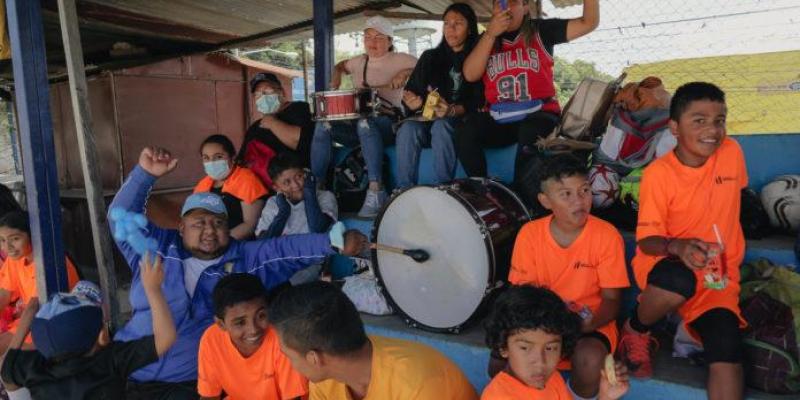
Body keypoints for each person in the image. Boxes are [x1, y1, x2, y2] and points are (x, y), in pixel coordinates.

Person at [112, 146, 368, 400]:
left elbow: (285, 249)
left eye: (218, 223)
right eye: (199, 223)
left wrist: (331, 243)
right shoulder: (154, 248)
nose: (210, 231)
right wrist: (144, 174)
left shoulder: (244, 259)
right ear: (181, 227)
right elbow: (120, 217)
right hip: (125, 369)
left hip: (185, 383)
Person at [617, 82, 748, 400]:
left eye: (719, 120)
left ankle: (684, 324)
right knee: (677, 276)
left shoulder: (731, 152)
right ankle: (637, 327)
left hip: (717, 281)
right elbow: (646, 241)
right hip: (667, 269)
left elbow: (735, 193)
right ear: (674, 128)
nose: (712, 130)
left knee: (728, 348)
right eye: (699, 120)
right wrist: (679, 246)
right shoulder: (659, 174)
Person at [506, 154, 629, 399]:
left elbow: (612, 300)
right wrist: (544, 333)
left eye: (584, 190)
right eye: (566, 194)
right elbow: (521, 298)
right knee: (502, 360)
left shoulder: (606, 235)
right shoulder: (530, 234)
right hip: (539, 323)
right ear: (545, 201)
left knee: (590, 359)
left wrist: (586, 326)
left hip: (589, 323)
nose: (579, 201)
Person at [459, 0, 599, 185]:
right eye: (498, 3)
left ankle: (523, 197)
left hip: (539, 113)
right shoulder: (486, 40)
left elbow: (588, 22)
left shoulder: (540, 30)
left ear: (525, 7)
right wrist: (491, 34)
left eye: (512, 2)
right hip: (501, 118)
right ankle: (482, 187)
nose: (505, 7)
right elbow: (470, 74)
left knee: (530, 131)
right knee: (465, 129)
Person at [0, 257, 175, 400]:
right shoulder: (110, 360)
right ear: (102, 335)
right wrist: (153, 290)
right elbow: (165, 338)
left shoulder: (34, 367)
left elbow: (7, 372)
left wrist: (27, 318)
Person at [269, 281, 478, 400]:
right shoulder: (326, 380)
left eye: (288, 355)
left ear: (314, 358)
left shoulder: (418, 384)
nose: (290, 364)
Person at [311, 16, 417, 217]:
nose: (372, 42)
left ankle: (376, 191)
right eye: (368, 36)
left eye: (378, 37)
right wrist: (336, 73)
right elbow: (341, 65)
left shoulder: (402, 58)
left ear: (390, 41)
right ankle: (318, 187)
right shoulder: (360, 61)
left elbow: (427, 66)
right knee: (323, 124)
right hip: (359, 128)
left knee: (365, 122)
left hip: (387, 126)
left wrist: (405, 72)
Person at [482, 284, 628, 400]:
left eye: (550, 348)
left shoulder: (552, 380)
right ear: (503, 347)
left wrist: (606, 396)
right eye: (525, 348)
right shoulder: (500, 397)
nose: (540, 361)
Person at [395, 3, 484, 190]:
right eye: (446, 23)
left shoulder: (478, 57)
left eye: (458, 23)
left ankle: (443, 187)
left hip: (460, 124)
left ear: (470, 29)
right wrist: (412, 104)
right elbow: (412, 93)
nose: (450, 29)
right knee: (407, 129)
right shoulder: (430, 57)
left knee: (442, 125)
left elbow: (479, 99)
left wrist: (452, 110)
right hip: (427, 122)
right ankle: (403, 190)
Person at [197, 274, 307, 400]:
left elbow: (293, 398)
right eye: (240, 323)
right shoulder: (211, 339)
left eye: (261, 316)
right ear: (221, 324)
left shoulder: (282, 338)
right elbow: (209, 396)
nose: (253, 330)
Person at [0, 210, 80, 353]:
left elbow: (33, 307)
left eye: (15, 239)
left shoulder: (48, 261)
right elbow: (4, 295)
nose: (7, 247)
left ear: (32, 236)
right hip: (30, 320)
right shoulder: (15, 259)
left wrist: (12, 353)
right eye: (2, 240)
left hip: (54, 323)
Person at [256, 153, 337, 284]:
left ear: (306, 174)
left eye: (299, 177)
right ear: (276, 187)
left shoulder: (325, 197)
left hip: (310, 264)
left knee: (284, 285)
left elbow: (318, 228)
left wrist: (310, 191)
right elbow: (262, 245)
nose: (296, 185)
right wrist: (283, 213)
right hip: (278, 263)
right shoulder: (273, 203)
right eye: (286, 182)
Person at [237, 72, 315, 188]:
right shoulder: (254, 128)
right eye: (258, 94)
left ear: (282, 92)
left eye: (268, 91)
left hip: (296, 183)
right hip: (263, 187)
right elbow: (243, 160)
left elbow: (300, 142)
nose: (263, 97)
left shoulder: (298, 109)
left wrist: (272, 123)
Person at [194, 134, 267, 240]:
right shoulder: (203, 185)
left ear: (232, 158)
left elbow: (250, 226)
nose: (212, 162)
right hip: (208, 243)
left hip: (237, 244)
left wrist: (218, 242)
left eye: (218, 157)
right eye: (206, 158)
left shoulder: (246, 180)